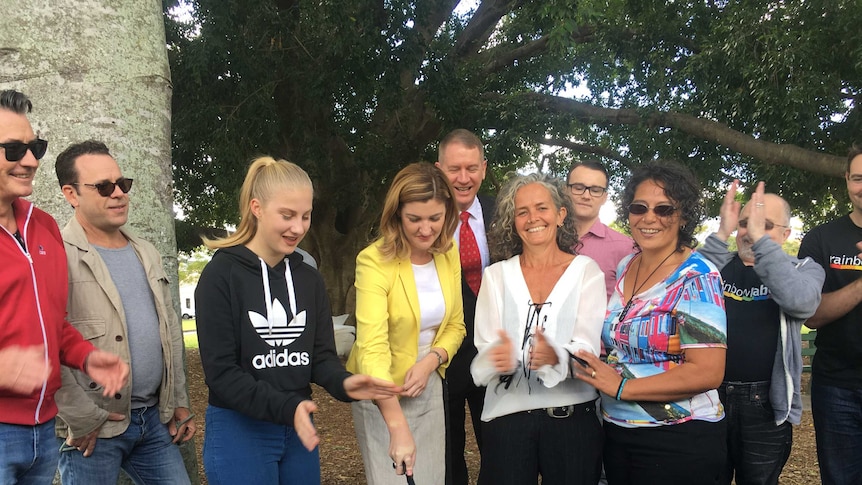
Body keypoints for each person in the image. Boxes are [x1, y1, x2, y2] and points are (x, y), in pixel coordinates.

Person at [195, 156, 400, 485]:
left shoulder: (308, 277)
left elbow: (319, 357)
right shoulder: (221, 274)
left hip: (298, 428)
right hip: (240, 430)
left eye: (305, 216)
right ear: (256, 208)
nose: (298, 228)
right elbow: (222, 374)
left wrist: (344, 383)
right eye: (287, 215)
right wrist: (288, 407)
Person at [0, 89, 128, 484]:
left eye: (35, 147)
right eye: (13, 149)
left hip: (44, 431)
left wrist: (86, 356)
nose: (31, 161)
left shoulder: (43, 225)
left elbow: (51, 321)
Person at [573, 160, 728, 484]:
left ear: (683, 215)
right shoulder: (629, 264)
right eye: (639, 207)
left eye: (664, 209)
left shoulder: (697, 276)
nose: (649, 218)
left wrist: (624, 387)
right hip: (619, 433)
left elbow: (708, 371)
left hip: (678, 439)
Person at [52, 140, 196, 484]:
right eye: (103, 186)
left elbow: (170, 332)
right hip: (92, 430)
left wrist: (178, 400)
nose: (118, 193)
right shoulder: (55, 253)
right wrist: (80, 417)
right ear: (71, 194)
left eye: (123, 184)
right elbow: (45, 340)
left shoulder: (146, 252)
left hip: (155, 423)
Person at [470, 173, 606, 485]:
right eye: (522, 211)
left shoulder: (586, 272)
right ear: (513, 221)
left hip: (572, 419)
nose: (533, 218)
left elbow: (586, 347)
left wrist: (556, 356)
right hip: (507, 422)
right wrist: (495, 360)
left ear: (560, 215)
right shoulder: (496, 276)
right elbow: (486, 346)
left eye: (542, 208)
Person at [347, 162, 466, 484]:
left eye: (435, 219)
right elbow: (372, 348)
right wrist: (396, 427)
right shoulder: (373, 261)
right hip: (381, 393)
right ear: (397, 214)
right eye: (415, 219)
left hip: (428, 386)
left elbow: (456, 327)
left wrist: (430, 362)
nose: (426, 229)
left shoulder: (448, 251)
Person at [699, 180, 824, 485]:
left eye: (764, 224)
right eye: (745, 223)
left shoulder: (803, 269)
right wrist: (722, 234)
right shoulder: (717, 265)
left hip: (766, 403)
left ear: (785, 234)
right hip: (707, 396)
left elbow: (801, 303)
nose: (750, 230)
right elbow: (683, 284)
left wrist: (762, 245)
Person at [798, 145, 862, 485]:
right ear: (847, 180)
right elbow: (811, 314)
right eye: (858, 178)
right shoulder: (821, 239)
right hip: (837, 387)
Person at [435, 128, 494, 485]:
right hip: (443, 357)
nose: (463, 177)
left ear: (483, 169)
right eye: (454, 168)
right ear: (438, 169)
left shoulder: (504, 211)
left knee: (500, 450)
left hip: (494, 355)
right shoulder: (422, 219)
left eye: (471, 168)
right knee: (447, 456)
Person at [566, 160, 633, 301]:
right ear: (566, 191)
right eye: (578, 188)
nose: (586, 196)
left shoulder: (626, 248)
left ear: (604, 197)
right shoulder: (545, 238)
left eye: (595, 190)